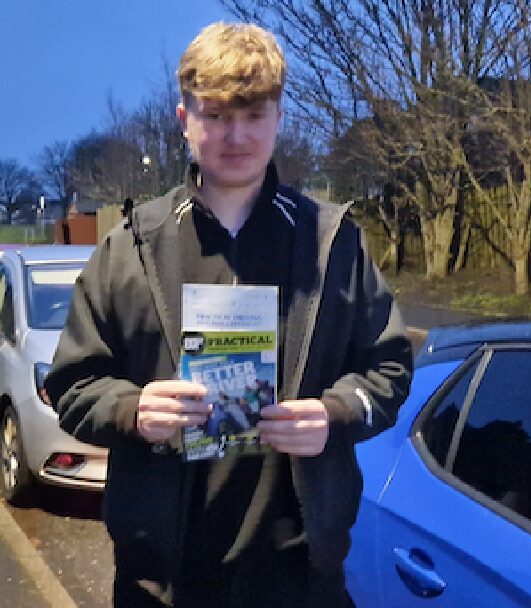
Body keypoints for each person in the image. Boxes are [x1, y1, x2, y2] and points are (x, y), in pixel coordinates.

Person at [45, 21, 413, 608]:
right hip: (164, 579)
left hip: (299, 575)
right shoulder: (131, 246)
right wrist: (131, 410)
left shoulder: (331, 242)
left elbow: (389, 368)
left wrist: (336, 414)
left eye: (253, 114)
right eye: (215, 115)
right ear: (184, 118)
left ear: (278, 118)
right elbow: (70, 384)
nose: (235, 135)